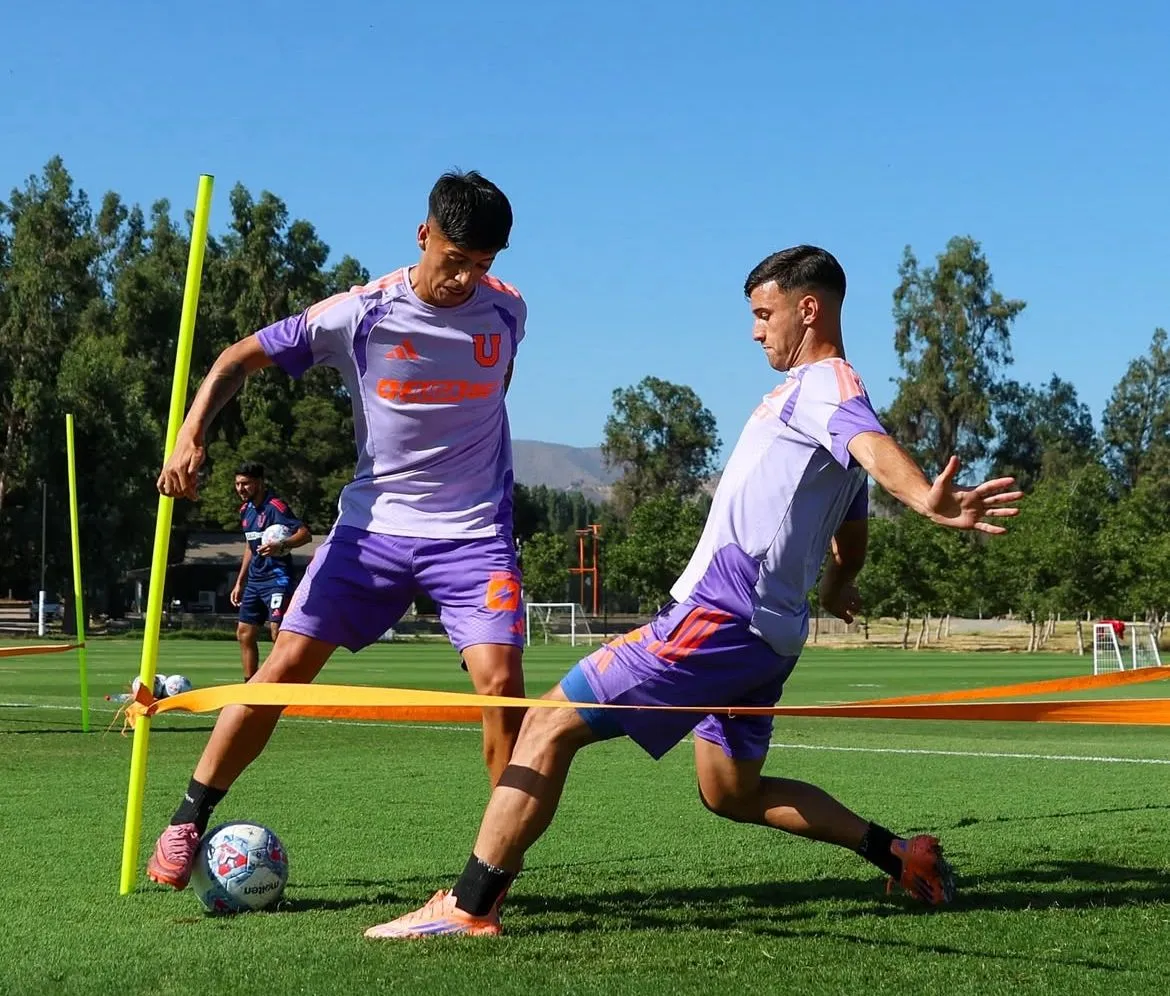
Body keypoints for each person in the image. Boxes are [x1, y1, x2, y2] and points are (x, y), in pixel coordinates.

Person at [367, 245, 1023, 939]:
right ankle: (898, 854)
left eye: (764, 314)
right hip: (769, 637)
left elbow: (871, 447)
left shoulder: (827, 385)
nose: (755, 330)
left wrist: (925, 497)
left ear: (809, 308)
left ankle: (470, 907)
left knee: (548, 723)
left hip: (719, 619)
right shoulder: (816, 400)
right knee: (730, 792)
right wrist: (840, 582)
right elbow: (853, 519)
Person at [147, 170, 529, 890]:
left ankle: (489, 873)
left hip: (475, 534)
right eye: (455, 261)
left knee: (502, 686)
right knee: (280, 670)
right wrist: (191, 434)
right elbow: (238, 357)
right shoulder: (360, 313)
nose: (466, 280)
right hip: (373, 531)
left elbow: (494, 394)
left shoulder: (507, 312)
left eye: (483, 265)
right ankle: (187, 817)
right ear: (423, 235)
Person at [230, 462, 312, 680]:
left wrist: (282, 546)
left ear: (259, 483)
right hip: (255, 582)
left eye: (245, 484)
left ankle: (283, 683)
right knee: (244, 633)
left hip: (277, 579)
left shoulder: (275, 506)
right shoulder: (245, 511)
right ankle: (250, 686)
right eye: (237, 484)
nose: (240, 489)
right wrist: (240, 582)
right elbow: (250, 546)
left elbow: (305, 534)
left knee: (277, 633)